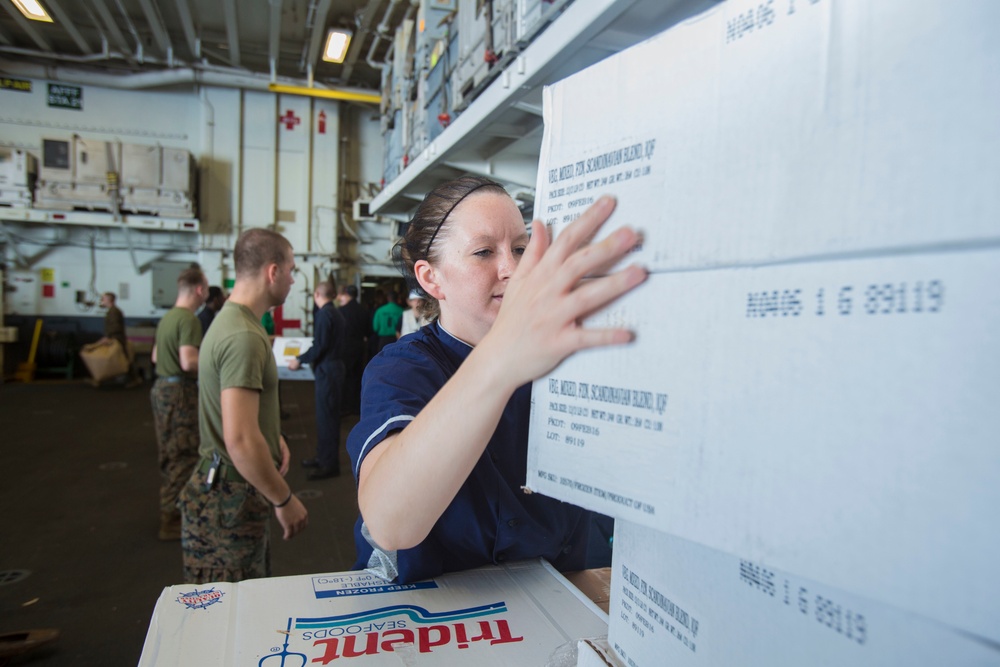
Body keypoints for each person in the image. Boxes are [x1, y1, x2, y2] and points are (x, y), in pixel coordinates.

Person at [346, 176, 646, 583]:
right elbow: (390, 523)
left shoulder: (566, 356)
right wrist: (501, 357)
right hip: (444, 615)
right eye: (484, 252)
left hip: (559, 595)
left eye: (521, 248)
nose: (513, 268)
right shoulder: (402, 368)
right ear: (431, 278)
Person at [179, 228, 308, 583]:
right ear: (272, 272)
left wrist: (270, 435)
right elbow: (238, 438)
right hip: (230, 500)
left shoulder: (232, 323)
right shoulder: (245, 337)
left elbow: (238, 416)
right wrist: (284, 500)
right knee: (226, 613)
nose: (293, 280)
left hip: (227, 491)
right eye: (291, 270)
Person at [150, 267, 208, 540]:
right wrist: (211, 363)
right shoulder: (188, 319)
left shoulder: (167, 318)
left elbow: (154, 356)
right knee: (183, 455)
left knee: (170, 450)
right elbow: (188, 361)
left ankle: (170, 510)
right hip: (179, 393)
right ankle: (171, 519)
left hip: (162, 389)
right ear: (199, 290)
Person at [288, 281, 346, 479]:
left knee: (327, 418)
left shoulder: (324, 315)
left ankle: (329, 464)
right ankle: (323, 457)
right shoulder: (337, 313)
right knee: (327, 417)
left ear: (316, 295)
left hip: (327, 371)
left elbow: (319, 345)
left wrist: (299, 360)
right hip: (335, 368)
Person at [336, 285, 370, 415]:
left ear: (346, 294)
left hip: (344, 348)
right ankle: (356, 406)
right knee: (357, 377)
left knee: (344, 377)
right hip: (359, 348)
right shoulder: (364, 310)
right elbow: (368, 331)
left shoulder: (340, 311)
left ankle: (344, 407)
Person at [98, 292, 141, 387]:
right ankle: (131, 379)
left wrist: (108, 337)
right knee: (123, 359)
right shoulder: (113, 311)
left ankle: (134, 379)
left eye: (104, 299)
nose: (102, 301)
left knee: (124, 359)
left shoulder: (113, 312)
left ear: (109, 300)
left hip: (117, 339)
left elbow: (115, 327)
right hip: (116, 338)